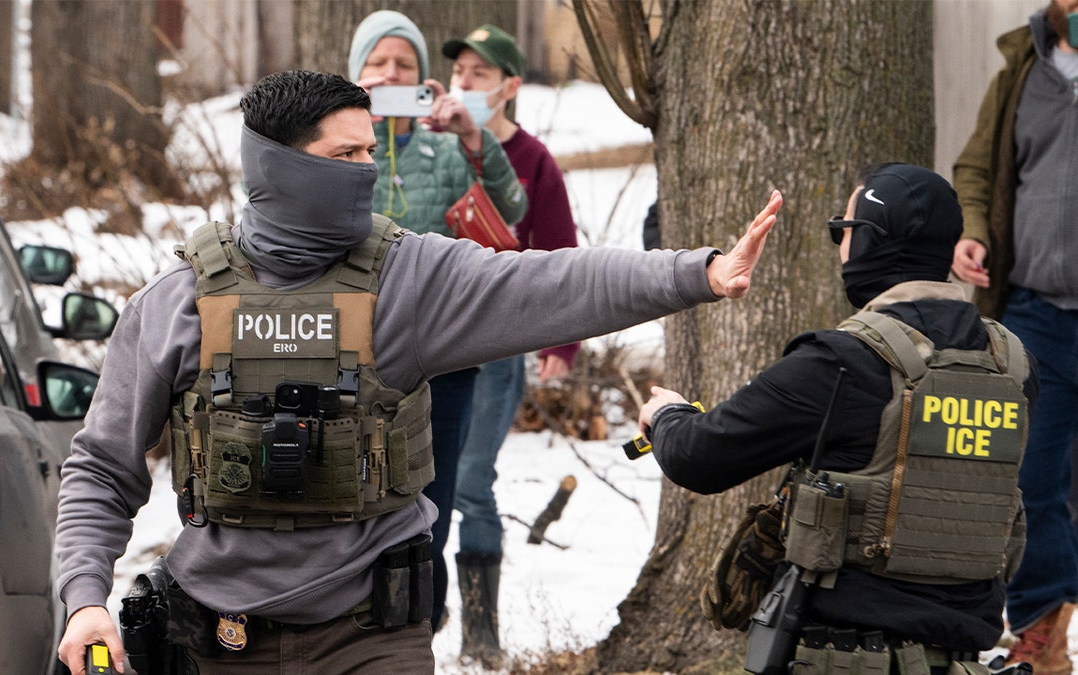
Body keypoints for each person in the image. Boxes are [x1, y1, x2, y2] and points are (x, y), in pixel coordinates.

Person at [54, 68, 783, 674]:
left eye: (370, 150)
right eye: (344, 155)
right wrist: (85, 597)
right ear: (281, 167)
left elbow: (554, 283)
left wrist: (698, 272)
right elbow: (101, 467)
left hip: (373, 635)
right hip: (219, 637)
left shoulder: (407, 277)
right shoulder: (175, 302)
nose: (367, 171)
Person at [639, 164, 1036, 673]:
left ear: (869, 239)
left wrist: (667, 415)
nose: (840, 247)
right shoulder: (1014, 365)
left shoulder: (840, 362)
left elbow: (698, 456)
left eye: (841, 231)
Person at [347, 10, 530, 635]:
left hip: (442, 361)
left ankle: (420, 628)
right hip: (352, 360)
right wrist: (343, 126)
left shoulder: (447, 148)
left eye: (404, 65)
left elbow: (512, 209)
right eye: (377, 63)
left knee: (434, 504)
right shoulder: (333, 150)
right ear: (356, 72)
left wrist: (474, 138)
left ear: (424, 79)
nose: (391, 74)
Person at [440, 23, 580, 665]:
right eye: (459, 71)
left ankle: (482, 636)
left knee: (471, 480)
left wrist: (562, 342)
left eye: (481, 73)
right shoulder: (433, 146)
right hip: (429, 338)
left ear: (510, 86)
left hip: (497, 344)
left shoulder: (532, 159)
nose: (466, 82)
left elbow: (560, 255)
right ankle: (421, 606)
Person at [951, 2, 1078, 671]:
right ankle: (1042, 637)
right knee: (1027, 480)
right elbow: (977, 170)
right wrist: (973, 230)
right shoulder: (1021, 70)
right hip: (1034, 312)